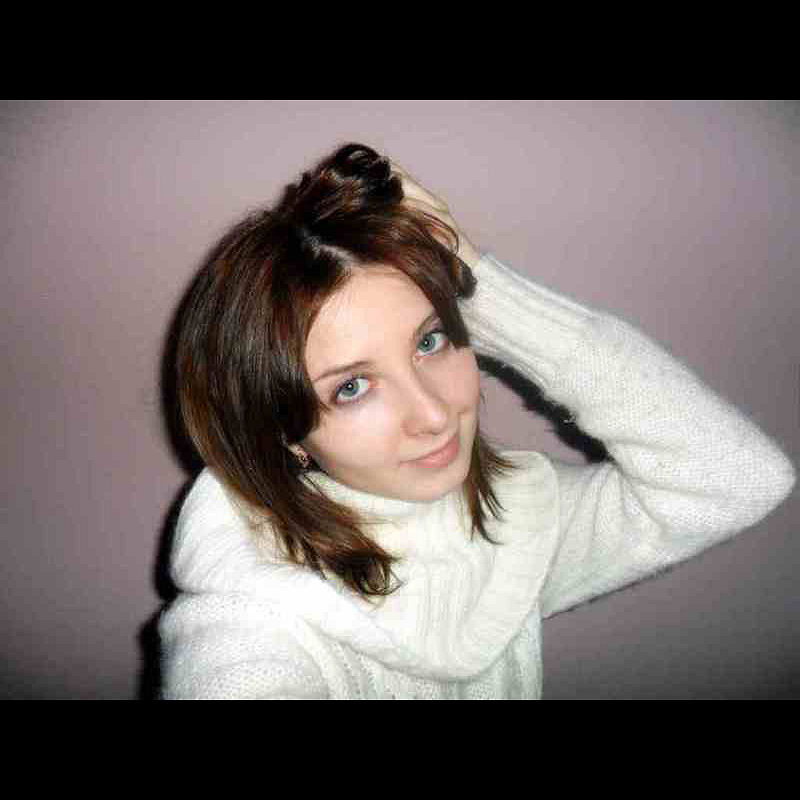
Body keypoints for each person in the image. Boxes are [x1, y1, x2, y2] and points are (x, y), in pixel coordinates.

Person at [158, 143, 795, 700]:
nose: (435, 415)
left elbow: (735, 477)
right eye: (352, 387)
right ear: (283, 435)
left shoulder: (511, 520)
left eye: (431, 342)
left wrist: (474, 283)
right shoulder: (249, 622)